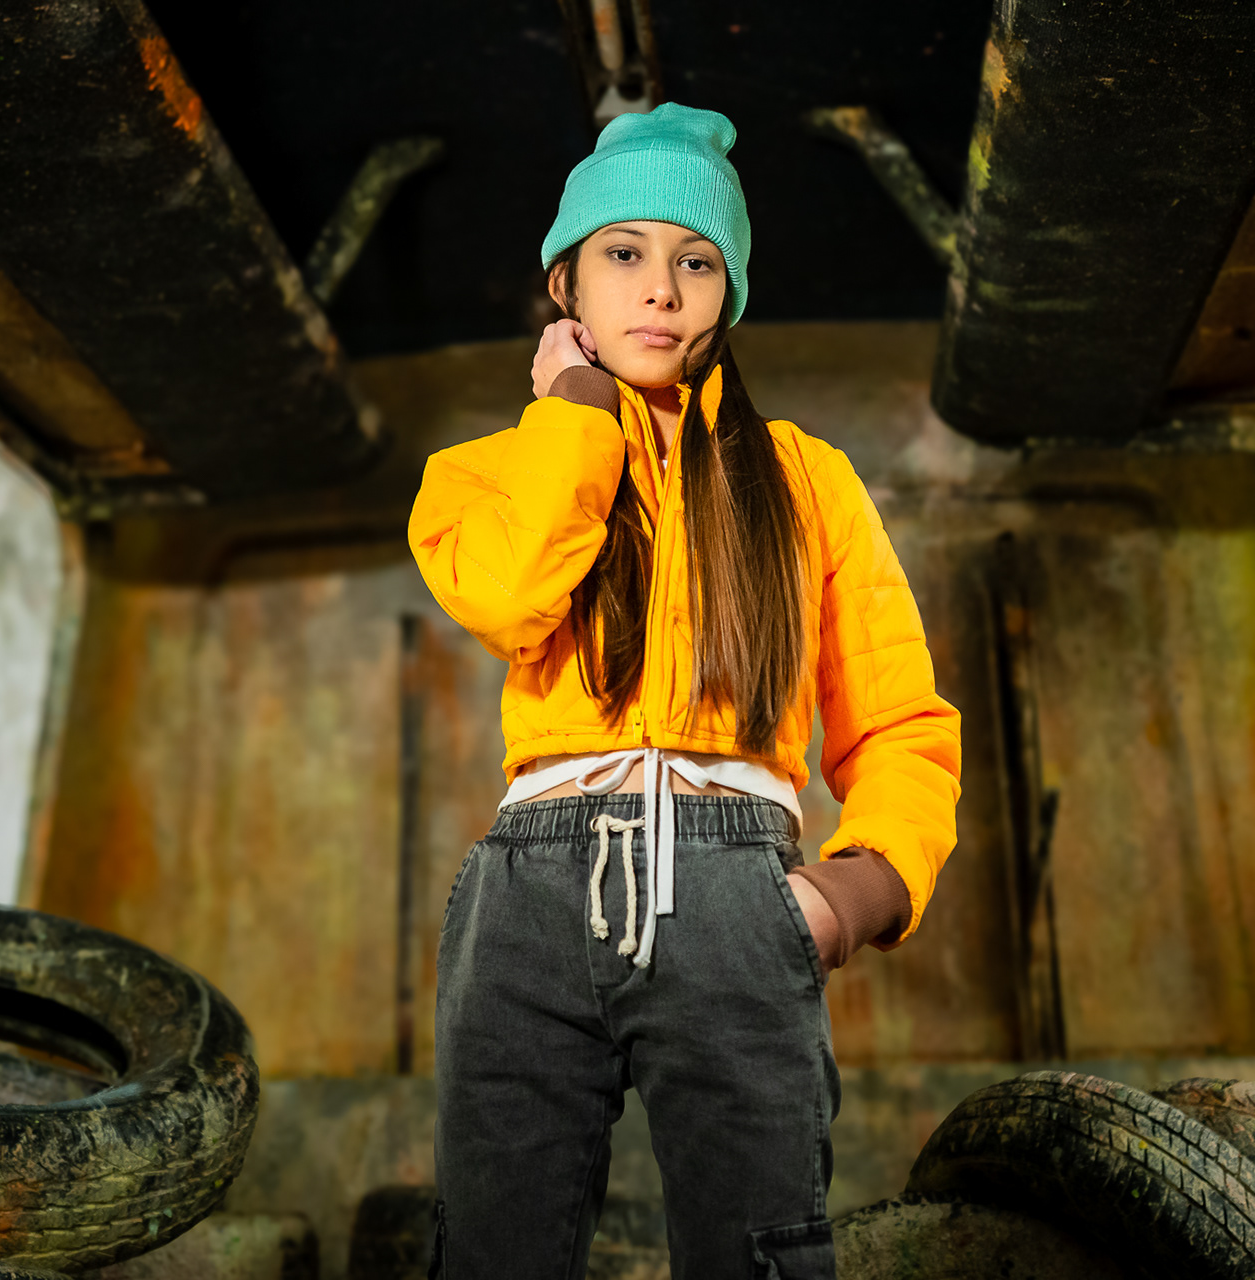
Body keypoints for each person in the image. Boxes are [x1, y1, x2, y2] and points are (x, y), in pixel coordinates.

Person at [407, 102, 962, 1280]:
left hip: (734, 890)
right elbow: (508, 597)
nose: (660, 288)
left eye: (697, 261)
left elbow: (901, 721)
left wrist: (852, 894)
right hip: (526, 901)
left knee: (762, 1254)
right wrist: (575, 411)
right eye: (624, 253)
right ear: (566, 283)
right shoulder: (482, 473)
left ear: (729, 293)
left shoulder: (808, 479)